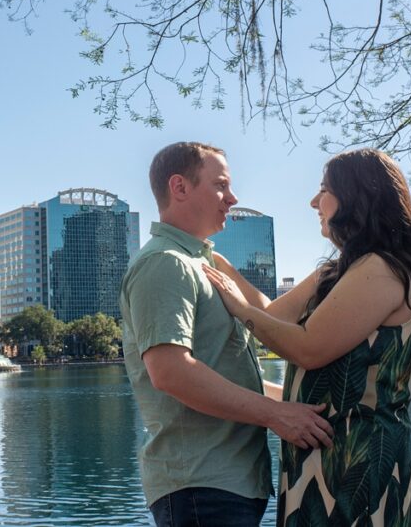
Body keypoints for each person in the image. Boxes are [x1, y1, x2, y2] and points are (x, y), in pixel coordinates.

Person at [203, 148, 411, 526]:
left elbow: (308, 347)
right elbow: (271, 316)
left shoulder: (382, 269)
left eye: (324, 190)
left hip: (358, 467)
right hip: (319, 464)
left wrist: (239, 309)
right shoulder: (339, 270)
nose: (314, 201)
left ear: (356, 196)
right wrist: (218, 264)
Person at [120, 142, 334, 527]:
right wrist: (278, 415)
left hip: (226, 485)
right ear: (180, 187)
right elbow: (170, 372)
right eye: (221, 185)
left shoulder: (201, 263)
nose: (232, 198)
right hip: (200, 486)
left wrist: (300, 404)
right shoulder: (164, 264)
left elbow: (246, 348)